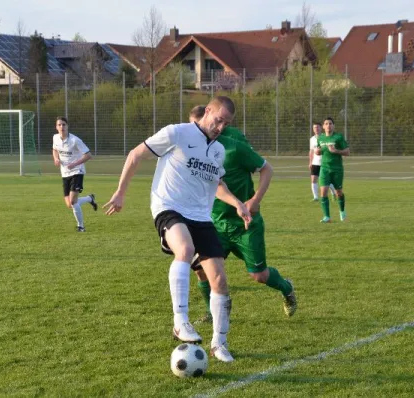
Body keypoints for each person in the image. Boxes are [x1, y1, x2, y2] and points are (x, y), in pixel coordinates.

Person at [104, 96, 251, 363]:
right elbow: (136, 154)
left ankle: (220, 342)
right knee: (184, 248)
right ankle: (180, 321)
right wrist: (120, 192)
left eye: (226, 124)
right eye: (218, 120)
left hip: (200, 216)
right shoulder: (177, 132)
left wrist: (238, 203)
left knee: (219, 279)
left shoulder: (218, 151)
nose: (220, 127)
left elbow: (217, 185)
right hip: (168, 205)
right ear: (207, 111)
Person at [188, 106, 297, 324]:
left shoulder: (234, 147)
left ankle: (286, 288)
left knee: (259, 276)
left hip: (245, 223)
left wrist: (254, 200)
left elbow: (266, 168)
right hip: (216, 223)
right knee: (200, 267)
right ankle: (212, 312)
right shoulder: (195, 148)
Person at [52, 116, 98, 232]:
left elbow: (88, 155)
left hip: (77, 171)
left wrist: (75, 164)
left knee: (73, 201)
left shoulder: (75, 140)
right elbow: (54, 150)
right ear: (56, 127)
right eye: (59, 125)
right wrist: (56, 159)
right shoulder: (55, 138)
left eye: (64, 124)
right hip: (64, 173)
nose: (62, 127)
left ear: (67, 126)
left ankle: (81, 226)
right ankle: (89, 199)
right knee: (70, 204)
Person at [314, 117, 350, 223]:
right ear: (323, 126)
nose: (328, 125)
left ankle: (342, 211)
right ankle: (327, 217)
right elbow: (319, 149)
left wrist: (336, 151)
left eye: (330, 123)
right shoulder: (320, 138)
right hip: (325, 168)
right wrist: (317, 151)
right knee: (323, 192)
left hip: (337, 169)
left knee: (339, 192)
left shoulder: (338, 137)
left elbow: (347, 152)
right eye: (326, 123)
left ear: (333, 126)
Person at [309, 122, 336, 201]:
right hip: (315, 162)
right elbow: (311, 151)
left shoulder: (326, 137)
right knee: (313, 179)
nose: (316, 129)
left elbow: (330, 149)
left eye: (317, 127)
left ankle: (334, 192)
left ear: (321, 128)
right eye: (314, 127)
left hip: (324, 162)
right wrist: (310, 162)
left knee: (326, 180)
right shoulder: (312, 139)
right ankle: (316, 197)